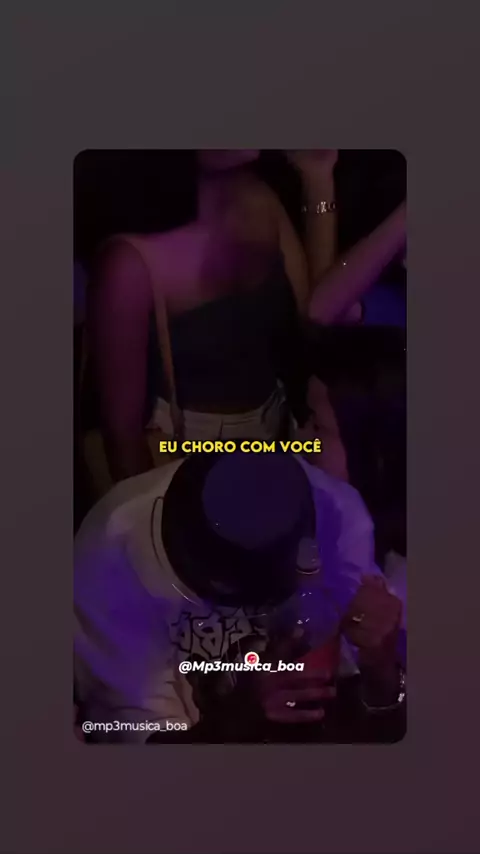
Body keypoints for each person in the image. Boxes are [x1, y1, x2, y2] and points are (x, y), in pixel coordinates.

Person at [87, 149, 406, 484]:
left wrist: (318, 181)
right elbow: (122, 438)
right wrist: (151, 513)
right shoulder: (128, 262)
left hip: (277, 431)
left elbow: (314, 321)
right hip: (184, 454)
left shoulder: (260, 197)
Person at [74, 450, 405, 744]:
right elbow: (143, 742)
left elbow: (367, 712)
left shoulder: (327, 509)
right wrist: (237, 719)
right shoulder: (113, 552)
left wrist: (382, 670)